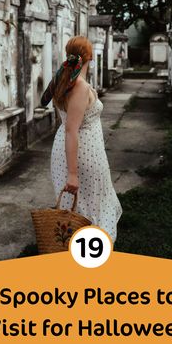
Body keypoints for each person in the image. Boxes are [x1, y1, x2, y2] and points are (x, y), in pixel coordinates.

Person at [41, 35, 122, 244]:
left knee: (81, 204)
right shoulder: (80, 87)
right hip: (81, 154)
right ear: (89, 57)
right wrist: (73, 173)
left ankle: (78, 247)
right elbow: (71, 130)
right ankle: (89, 251)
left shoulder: (63, 79)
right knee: (90, 204)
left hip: (74, 150)